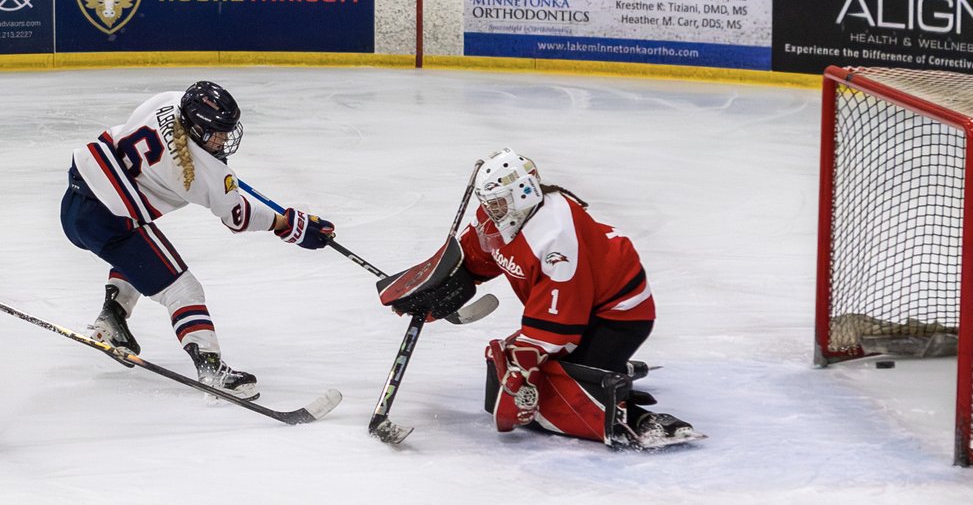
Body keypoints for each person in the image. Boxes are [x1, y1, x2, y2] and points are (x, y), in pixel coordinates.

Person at [383, 148, 701, 449]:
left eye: (498, 204)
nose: (491, 212)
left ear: (524, 193)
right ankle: (606, 365)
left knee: (552, 397)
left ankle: (635, 416)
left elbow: (560, 322)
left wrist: (529, 359)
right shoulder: (499, 215)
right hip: (578, 304)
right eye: (489, 203)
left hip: (617, 315)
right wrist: (435, 287)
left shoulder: (556, 236)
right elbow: (474, 257)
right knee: (506, 377)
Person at [60, 81, 335, 400]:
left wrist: (218, 170)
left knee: (140, 253)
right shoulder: (204, 175)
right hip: (111, 221)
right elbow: (238, 217)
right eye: (217, 132)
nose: (225, 139)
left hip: (78, 200)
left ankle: (112, 316)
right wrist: (289, 223)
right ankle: (210, 367)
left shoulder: (167, 102)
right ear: (197, 128)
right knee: (183, 289)